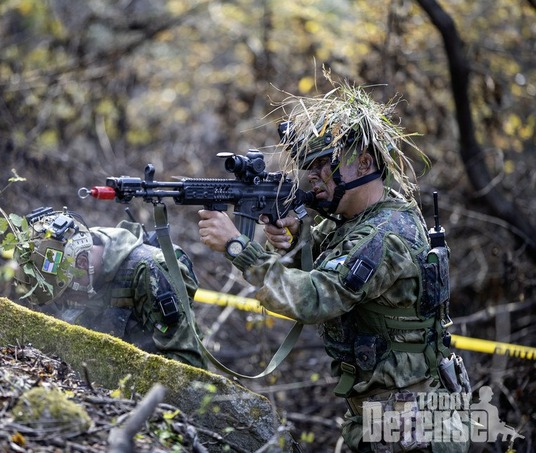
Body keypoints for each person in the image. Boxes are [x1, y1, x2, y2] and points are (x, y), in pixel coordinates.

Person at [197, 81, 471, 451]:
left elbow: (315, 298)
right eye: (308, 167)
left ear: (364, 162)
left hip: (410, 428)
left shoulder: (384, 235)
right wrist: (295, 239)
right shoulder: (357, 220)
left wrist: (236, 246)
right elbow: (317, 266)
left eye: (323, 165)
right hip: (384, 418)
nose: (312, 176)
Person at [13, 206, 207, 370]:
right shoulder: (69, 268)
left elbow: (187, 364)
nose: (65, 302)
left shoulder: (148, 272)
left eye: (67, 294)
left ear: (81, 263)